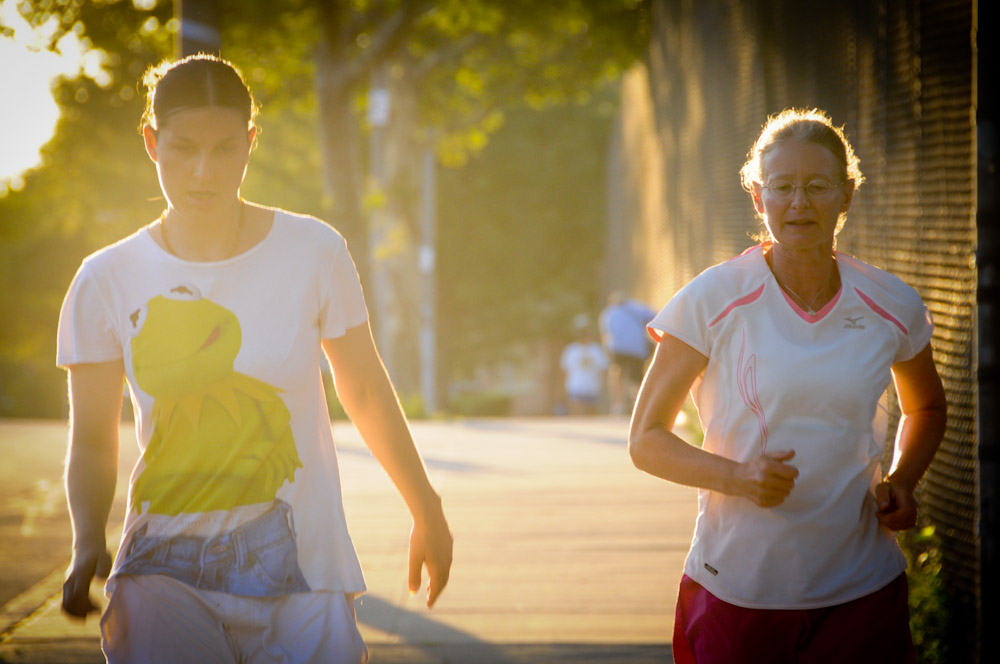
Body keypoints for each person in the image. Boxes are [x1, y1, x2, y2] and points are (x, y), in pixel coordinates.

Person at [57, 54, 452, 664]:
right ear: (152, 142)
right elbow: (90, 441)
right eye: (183, 149)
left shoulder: (314, 250)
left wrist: (426, 506)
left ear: (250, 142)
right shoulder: (105, 278)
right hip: (164, 573)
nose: (203, 172)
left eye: (224, 150)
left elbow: (366, 390)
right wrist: (86, 541)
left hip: (302, 565)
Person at [628, 108, 946, 663]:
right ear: (758, 197)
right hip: (737, 589)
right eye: (782, 187)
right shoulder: (711, 299)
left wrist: (903, 478)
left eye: (818, 186)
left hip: (862, 586)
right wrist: (739, 477)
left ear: (846, 195)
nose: (799, 203)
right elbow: (645, 439)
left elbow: (926, 407)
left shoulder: (891, 303)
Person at [599, 291, 655, 414]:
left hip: (618, 348)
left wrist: (606, 350)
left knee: (618, 375)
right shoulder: (637, 307)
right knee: (636, 377)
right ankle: (637, 403)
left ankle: (618, 405)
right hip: (637, 349)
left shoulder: (608, 313)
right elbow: (653, 315)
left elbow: (606, 334)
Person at [560, 318, 609, 415]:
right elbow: (564, 371)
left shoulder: (597, 349)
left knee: (591, 414)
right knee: (576, 413)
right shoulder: (571, 350)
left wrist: (603, 387)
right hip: (575, 387)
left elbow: (603, 370)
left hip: (593, 388)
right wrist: (562, 390)